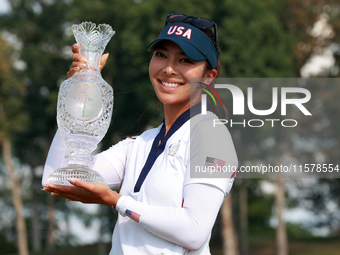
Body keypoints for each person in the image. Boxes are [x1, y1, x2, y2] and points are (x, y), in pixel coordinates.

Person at [42, 13, 238, 255]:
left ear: (208, 78)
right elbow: (56, 177)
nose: (168, 68)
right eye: (161, 55)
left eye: (185, 60)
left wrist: (117, 201)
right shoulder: (140, 143)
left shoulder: (213, 137)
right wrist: (79, 87)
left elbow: (195, 231)